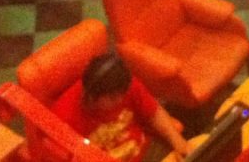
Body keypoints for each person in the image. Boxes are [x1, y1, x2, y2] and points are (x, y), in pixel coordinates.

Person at [52, 53, 188, 162]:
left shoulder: (124, 84)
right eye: (112, 98)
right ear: (91, 96)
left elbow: (153, 111)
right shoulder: (63, 117)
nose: (121, 100)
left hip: (146, 151)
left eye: (123, 94)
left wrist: (177, 140)